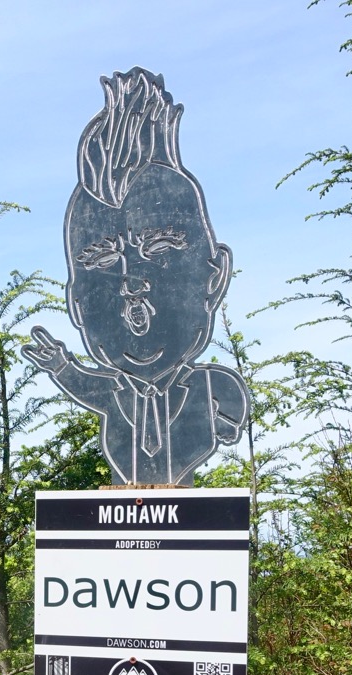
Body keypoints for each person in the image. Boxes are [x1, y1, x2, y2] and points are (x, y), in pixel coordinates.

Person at [23, 68, 249, 485]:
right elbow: (84, 384)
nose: (131, 286)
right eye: (105, 261)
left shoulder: (214, 387)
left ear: (214, 275)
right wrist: (60, 366)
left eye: (160, 250)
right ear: (76, 302)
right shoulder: (113, 393)